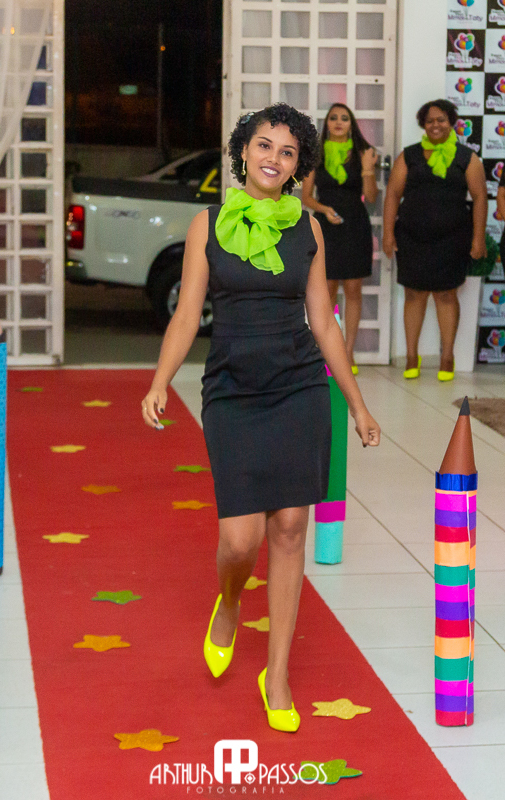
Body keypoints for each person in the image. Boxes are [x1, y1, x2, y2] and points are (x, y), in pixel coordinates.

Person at [142, 104, 380, 734]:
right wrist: (161, 379)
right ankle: (229, 603)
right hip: (232, 389)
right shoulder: (208, 223)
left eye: (287, 151)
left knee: (292, 526)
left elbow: (323, 320)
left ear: (299, 166)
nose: (274, 158)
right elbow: (187, 315)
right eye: (264, 145)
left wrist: (356, 402)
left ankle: (276, 675)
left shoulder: (309, 228)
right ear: (243, 151)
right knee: (240, 540)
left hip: (298, 384)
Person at [383, 99, 487, 381]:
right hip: (412, 237)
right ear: (423, 124)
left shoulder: (466, 157)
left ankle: (447, 357)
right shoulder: (410, 155)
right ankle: (411, 356)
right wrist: (388, 233)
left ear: (451, 122)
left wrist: (478, 238)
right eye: (430, 121)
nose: (435, 125)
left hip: (452, 239)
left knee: (446, 295)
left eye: (441, 119)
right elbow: (393, 194)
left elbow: (480, 198)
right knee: (414, 294)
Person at [301, 103, 378, 375]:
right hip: (326, 226)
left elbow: (371, 197)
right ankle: (327, 351)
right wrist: (324, 210)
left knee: (354, 289)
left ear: (351, 124)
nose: (338, 122)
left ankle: (347, 353)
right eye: (333, 117)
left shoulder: (363, 153)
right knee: (328, 289)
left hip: (355, 225)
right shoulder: (316, 155)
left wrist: (367, 169)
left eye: (344, 118)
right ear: (327, 124)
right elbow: (306, 197)